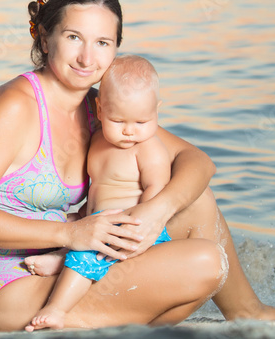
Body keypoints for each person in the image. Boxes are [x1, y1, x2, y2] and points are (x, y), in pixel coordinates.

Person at [0, 0, 275, 332]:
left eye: (102, 43)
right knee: (205, 263)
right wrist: (70, 234)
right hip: (10, 291)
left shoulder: (99, 108)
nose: (86, 58)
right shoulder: (11, 108)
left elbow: (197, 161)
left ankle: (248, 311)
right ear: (45, 39)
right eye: (74, 37)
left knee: (195, 201)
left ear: (116, 49)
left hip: (71, 263)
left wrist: (154, 212)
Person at [25, 54, 173, 331]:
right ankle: (63, 255)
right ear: (100, 110)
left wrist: (140, 223)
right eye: (118, 121)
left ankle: (57, 308)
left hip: (131, 227)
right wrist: (81, 215)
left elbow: (157, 188)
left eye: (141, 122)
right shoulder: (97, 140)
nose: (129, 131)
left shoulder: (149, 148)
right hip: (100, 219)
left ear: (156, 111)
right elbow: (97, 188)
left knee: (87, 257)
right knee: (65, 226)